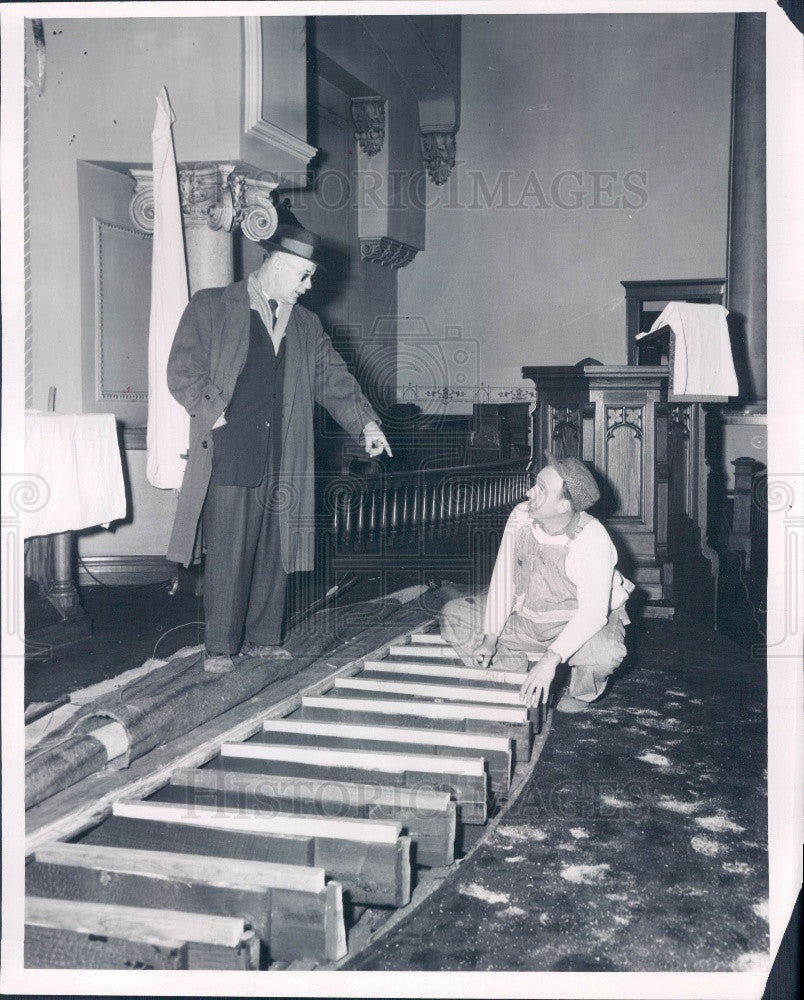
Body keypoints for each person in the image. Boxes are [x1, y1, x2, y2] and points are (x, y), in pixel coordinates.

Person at [166, 223, 391, 672]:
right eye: (304, 276)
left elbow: (333, 378)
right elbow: (182, 369)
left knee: (276, 546)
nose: (308, 287)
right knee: (229, 549)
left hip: (286, 453)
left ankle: (264, 638)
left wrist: (365, 421)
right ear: (278, 264)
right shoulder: (212, 306)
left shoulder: (306, 325)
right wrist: (218, 414)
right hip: (230, 451)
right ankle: (220, 647)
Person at [440, 452, 632, 712]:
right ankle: (517, 671)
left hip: (578, 623)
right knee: (455, 615)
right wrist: (490, 637)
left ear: (564, 506)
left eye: (541, 489)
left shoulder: (592, 539)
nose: (529, 492)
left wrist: (552, 659)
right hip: (529, 617)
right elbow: (503, 580)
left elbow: (592, 615)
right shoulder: (521, 516)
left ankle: (580, 692)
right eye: (534, 483)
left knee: (605, 653)